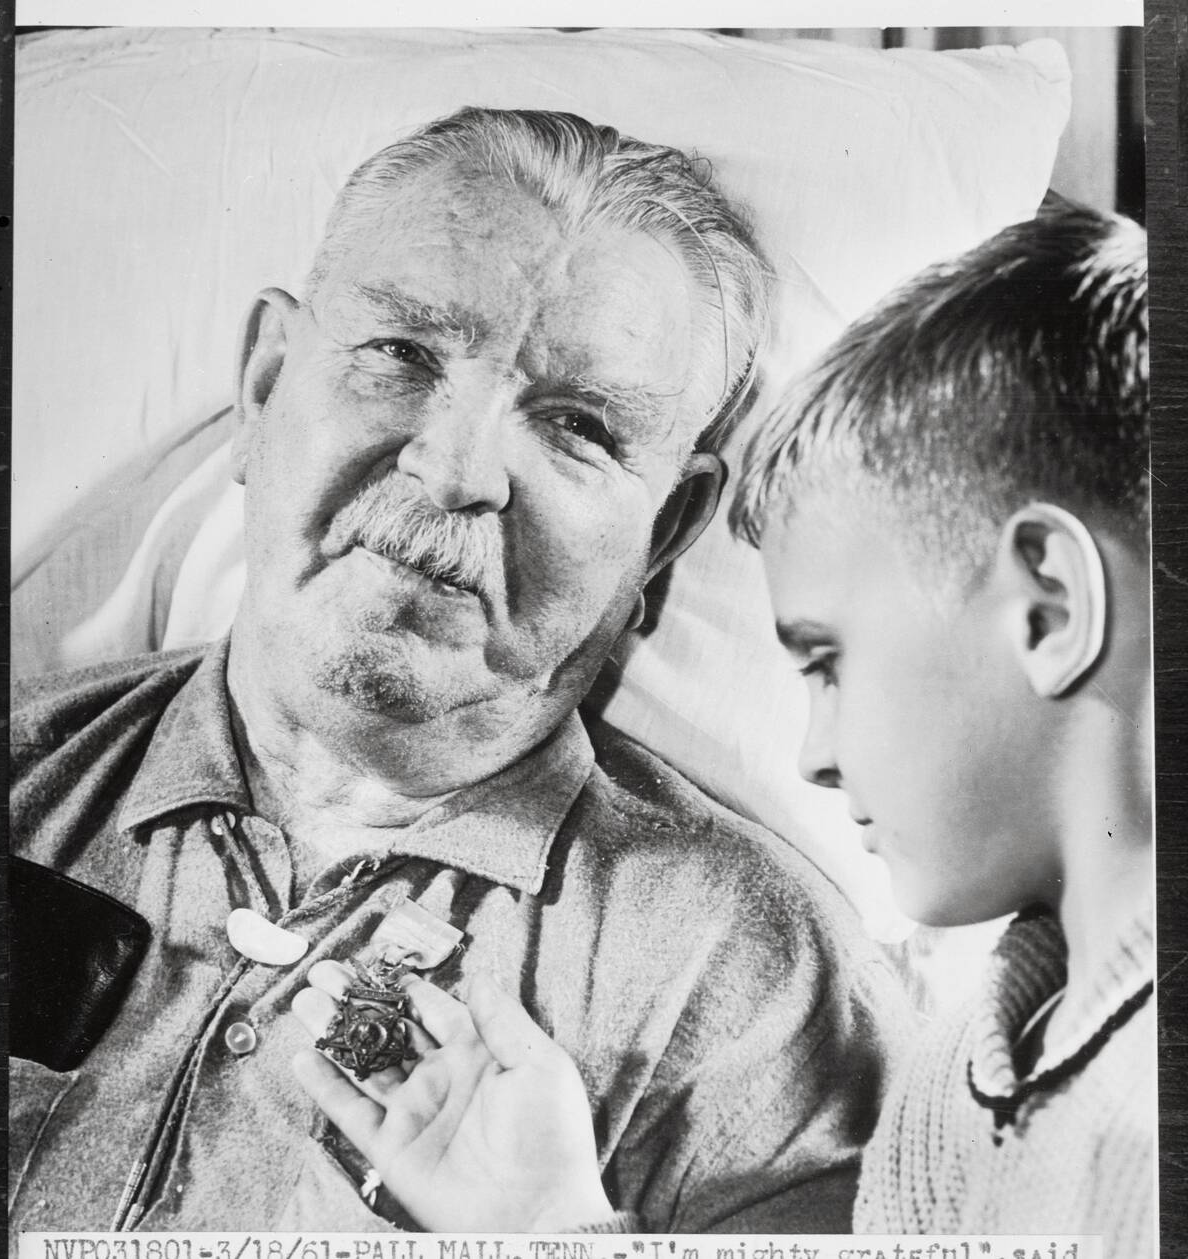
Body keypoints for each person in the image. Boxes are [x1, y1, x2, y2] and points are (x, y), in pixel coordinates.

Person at [10, 107, 912, 1236]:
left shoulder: (762, 992)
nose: (455, 468)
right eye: (402, 355)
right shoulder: (20, 777)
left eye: (579, 423)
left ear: (667, 533)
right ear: (263, 385)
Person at [294, 199, 1153, 1254]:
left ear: (1050, 609)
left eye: (830, 663)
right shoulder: (957, 1076)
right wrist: (553, 1225)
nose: (813, 756)